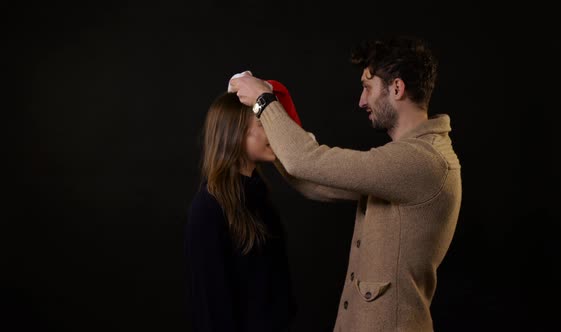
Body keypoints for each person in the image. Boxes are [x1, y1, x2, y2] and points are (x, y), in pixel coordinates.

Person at [229, 35, 462, 332]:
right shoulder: (405, 162)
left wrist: (264, 100)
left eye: (367, 87)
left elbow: (306, 161)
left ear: (397, 88)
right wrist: (274, 131)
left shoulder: (422, 162)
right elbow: (314, 181)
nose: (361, 100)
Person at [184, 91, 299, 332]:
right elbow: (210, 312)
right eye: (262, 123)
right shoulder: (208, 209)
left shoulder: (259, 198)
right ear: (235, 133)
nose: (274, 132)